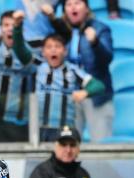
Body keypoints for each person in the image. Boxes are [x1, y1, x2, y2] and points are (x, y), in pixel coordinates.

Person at [12, 11, 105, 141]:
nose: (53, 50)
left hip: (65, 129)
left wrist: (85, 92)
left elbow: (99, 85)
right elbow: (20, 50)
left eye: (57, 46)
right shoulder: (37, 66)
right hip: (39, 127)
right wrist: (17, 27)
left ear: (65, 51)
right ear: (43, 52)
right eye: (49, 47)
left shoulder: (73, 70)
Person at [41, 0, 114, 142]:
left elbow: (107, 58)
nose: (73, 7)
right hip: (70, 96)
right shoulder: (63, 32)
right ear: (65, 10)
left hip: (97, 97)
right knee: (68, 145)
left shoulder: (100, 29)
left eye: (77, 3)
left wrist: (95, 43)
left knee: (101, 146)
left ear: (87, 8)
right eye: (69, 4)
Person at [0, 11, 35, 142]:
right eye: (6, 24)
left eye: (13, 25)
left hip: (17, 122)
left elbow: (21, 51)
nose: (10, 28)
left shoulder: (28, 51)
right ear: (0, 30)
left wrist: (17, 29)